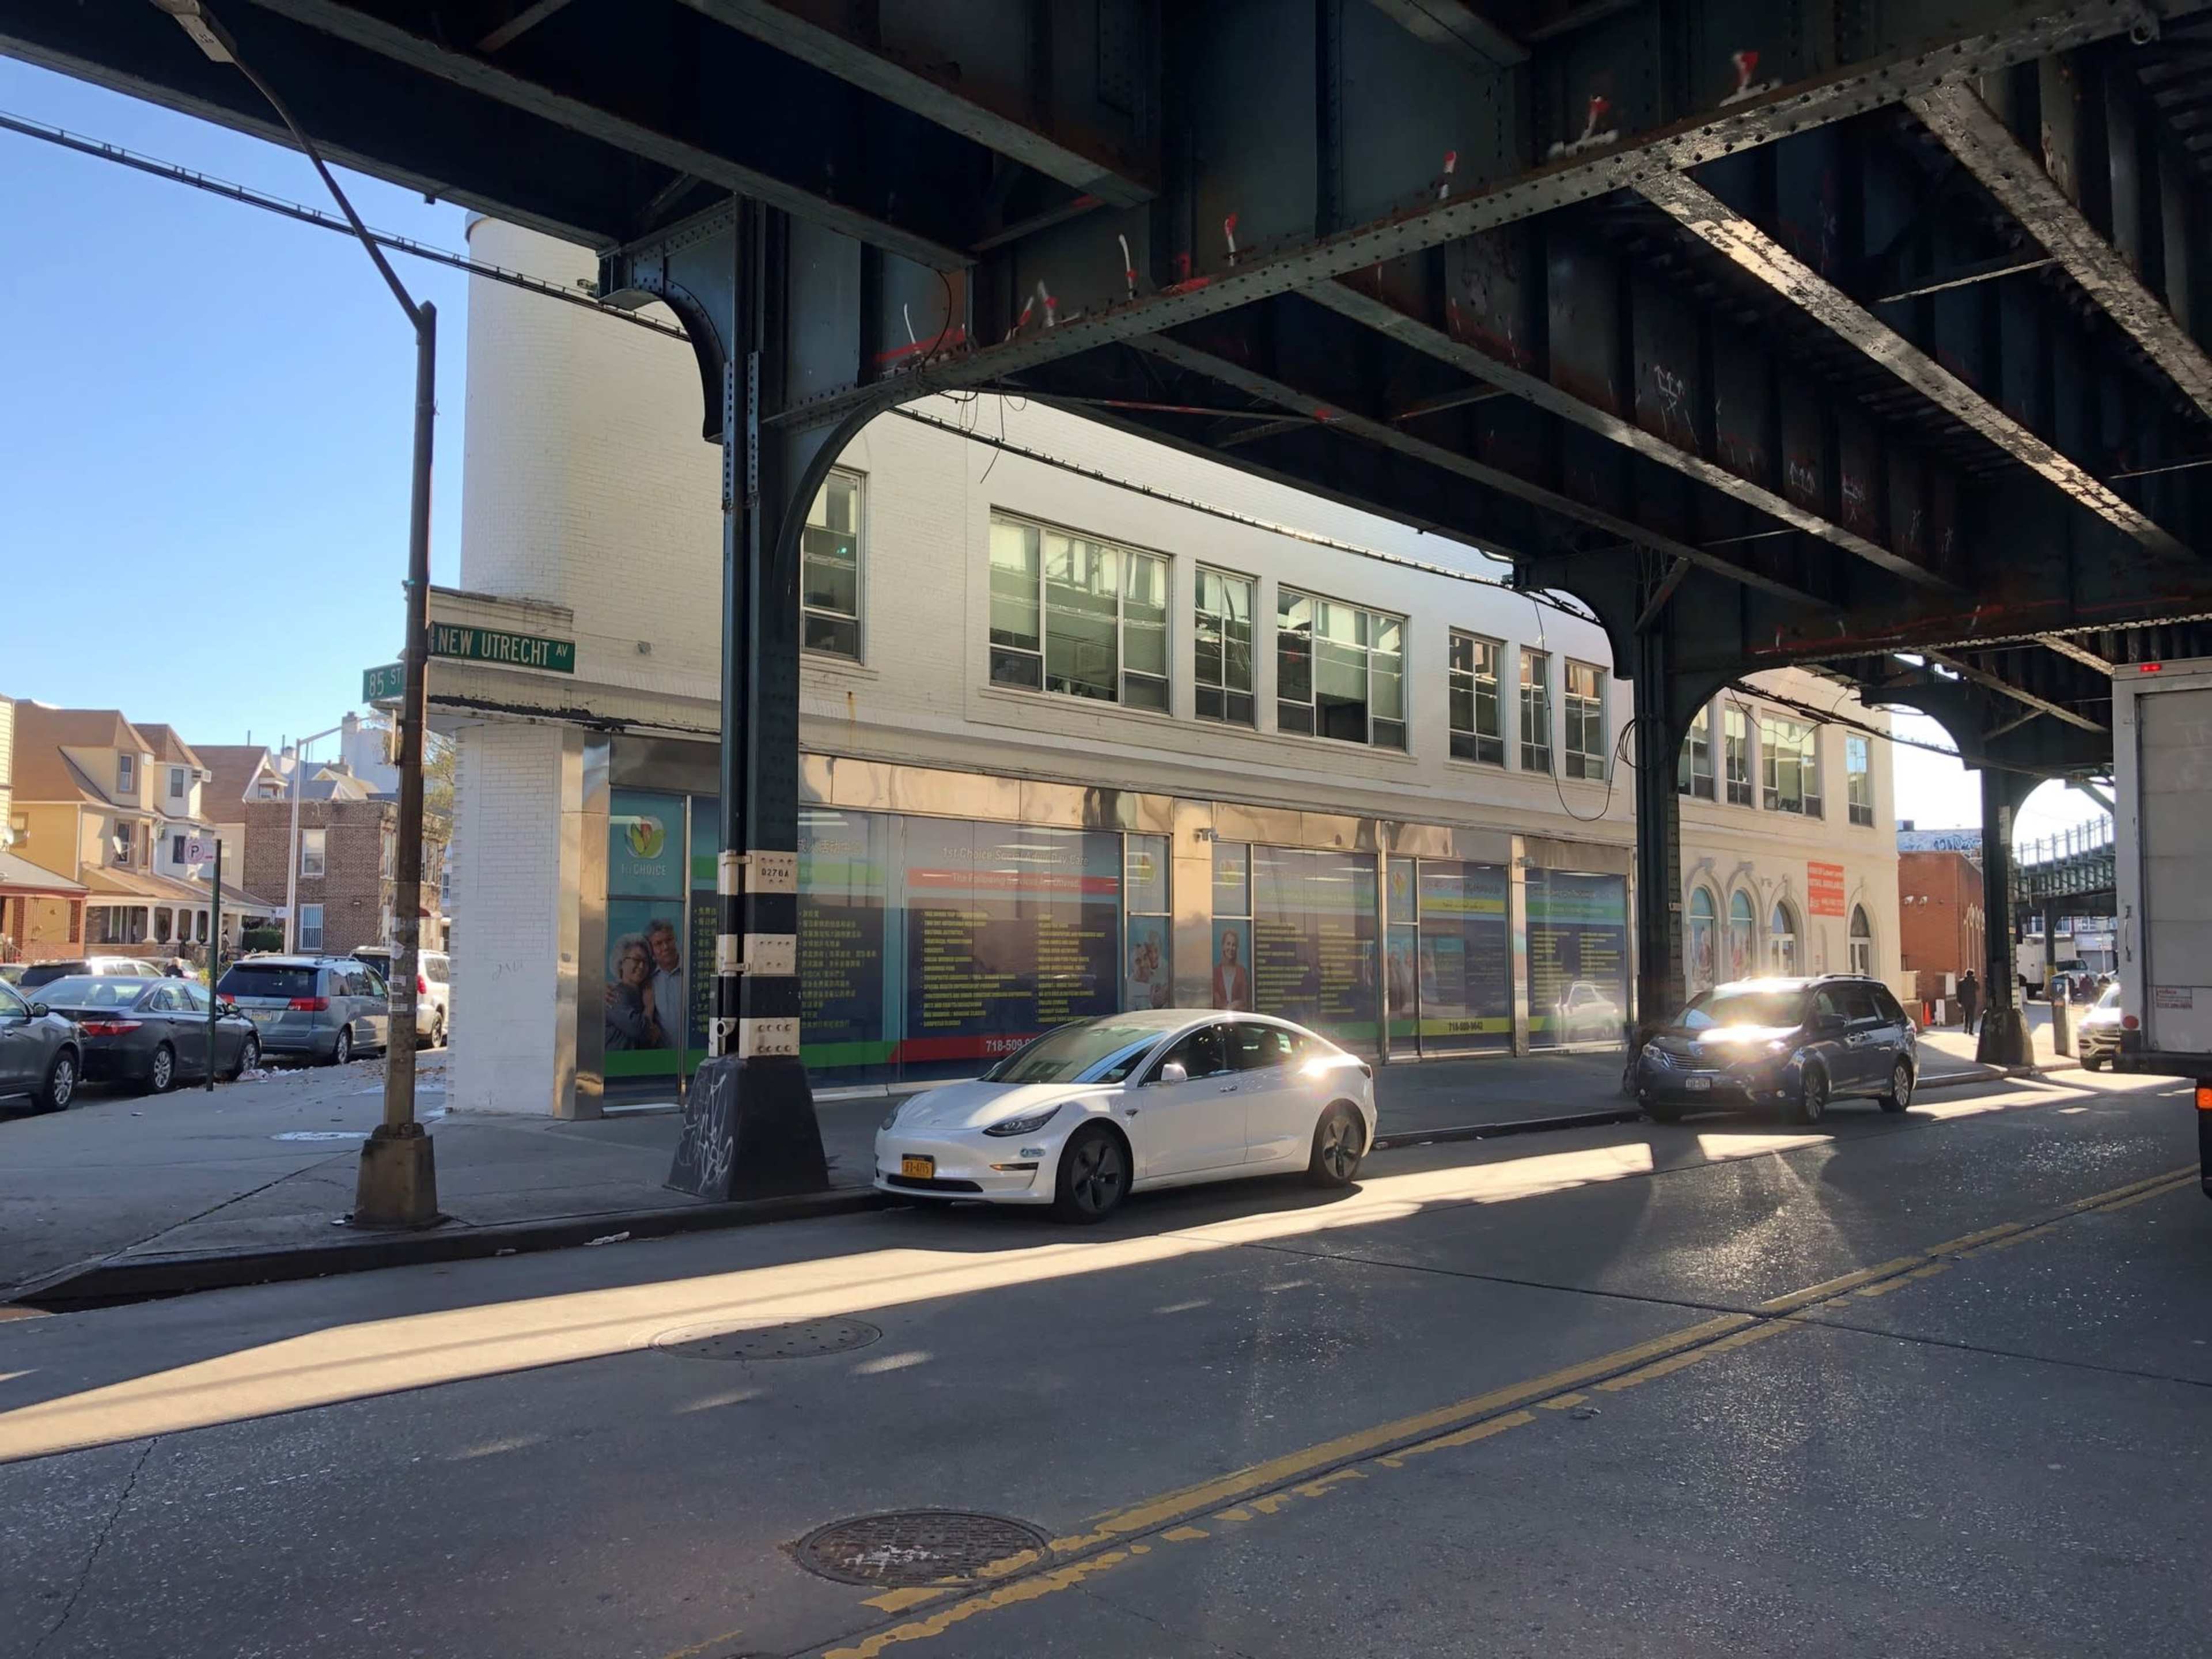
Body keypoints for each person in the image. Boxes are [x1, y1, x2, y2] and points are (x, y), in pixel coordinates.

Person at [604, 934, 662, 1050]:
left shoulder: (643, 994)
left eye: (645, 962)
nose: (641, 966)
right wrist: (649, 1008)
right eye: (636, 960)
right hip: (617, 1064)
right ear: (621, 963)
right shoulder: (613, 994)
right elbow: (639, 1030)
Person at [645, 918, 684, 1051]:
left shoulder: (693, 970)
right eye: (659, 944)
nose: (666, 947)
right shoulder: (647, 979)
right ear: (652, 950)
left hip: (696, 1054)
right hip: (664, 1059)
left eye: (669, 940)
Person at [1211, 926, 1250, 1012]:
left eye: (1234, 945)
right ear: (1223, 946)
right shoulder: (1216, 973)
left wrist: (1234, 1005)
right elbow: (1216, 1001)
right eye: (1228, 944)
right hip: (1219, 1019)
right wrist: (1231, 1006)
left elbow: (1245, 1001)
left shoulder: (1242, 972)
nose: (1231, 948)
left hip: (1239, 1018)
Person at [1957, 969, 1980, 1036]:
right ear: (1972, 974)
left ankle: (1965, 1028)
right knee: (1972, 1016)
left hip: (1964, 1001)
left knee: (1966, 1015)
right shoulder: (1974, 982)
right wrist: (1975, 980)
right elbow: (1978, 989)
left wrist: (1959, 1001)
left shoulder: (1961, 982)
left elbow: (1959, 992)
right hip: (1972, 1001)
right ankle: (1971, 1030)